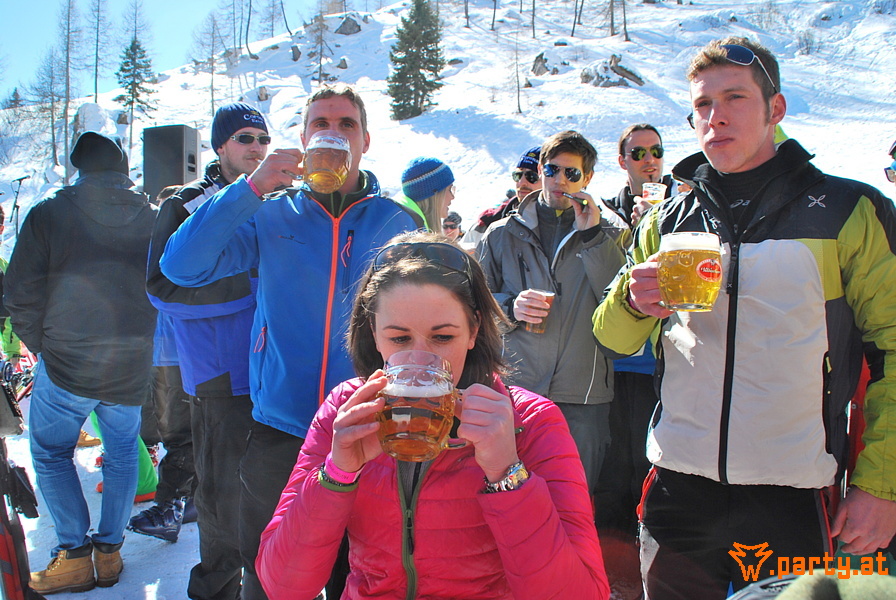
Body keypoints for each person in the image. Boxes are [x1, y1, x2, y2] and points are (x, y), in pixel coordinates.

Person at [592, 37, 896, 599]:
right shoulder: (669, 214)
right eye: (703, 105)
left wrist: (882, 486)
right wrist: (633, 302)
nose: (717, 116)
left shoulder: (846, 210)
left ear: (775, 109)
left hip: (793, 494)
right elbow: (610, 335)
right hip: (678, 488)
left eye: (735, 98)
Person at [160, 85, 419, 600]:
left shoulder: (397, 220)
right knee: (272, 574)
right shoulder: (269, 211)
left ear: (365, 140)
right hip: (280, 428)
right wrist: (250, 188)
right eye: (321, 124)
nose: (333, 134)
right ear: (303, 139)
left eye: (346, 124)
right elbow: (180, 267)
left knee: (362, 574)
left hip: (369, 427)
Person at [256, 231, 610, 599]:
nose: (419, 364)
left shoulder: (530, 420)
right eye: (399, 339)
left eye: (442, 338)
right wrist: (337, 475)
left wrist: (507, 473)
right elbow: (284, 586)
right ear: (374, 334)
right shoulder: (347, 412)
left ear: (473, 331)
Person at [5, 131, 157, 594]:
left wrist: (43, 344)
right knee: (122, 454)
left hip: (69, 362)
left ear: (80, 168)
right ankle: (109, 555)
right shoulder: (152, 217)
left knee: (52, 454)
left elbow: (18, 291)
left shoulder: (51, 212)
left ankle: (73, 556)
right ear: (122, 170)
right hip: (131, 364)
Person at [145, 103, 268, 598]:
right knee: (220, 499)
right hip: (221, 374)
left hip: (275, 372)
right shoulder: (188, 202)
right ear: (219, 148)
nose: (256, 147)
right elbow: (162, 288)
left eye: (262, 138)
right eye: (244, 138)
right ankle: (215, 589)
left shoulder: (279, 200)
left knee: (270, 491)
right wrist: (254, 291)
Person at [477, 130, 628, 496]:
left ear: (587, 178)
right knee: (509, 496)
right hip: (517, 388)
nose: (559, 180)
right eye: (551, 170)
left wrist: (592, 237)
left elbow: (622, 302)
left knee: (573, 500)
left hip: (584, 394)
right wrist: (511, 306)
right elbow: (473, 307)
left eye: (571, 173)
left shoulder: (612, 232)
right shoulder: (500, 234)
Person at [461, 146, 542, 248]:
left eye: (532, 176)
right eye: (518, 175)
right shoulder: (486, 223)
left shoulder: (560, 226)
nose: (522, 182)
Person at [606, 123, 677, 227]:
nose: (649, 159)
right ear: (622, 162)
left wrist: (655, 222)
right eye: (638, 153)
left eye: (656, 151)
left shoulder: (686, 203)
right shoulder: (609, 217)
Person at [394, 157, 455, 230]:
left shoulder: (403, 222)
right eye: (449, 189)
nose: (452, 197)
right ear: (434, 194)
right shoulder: (411, 233)